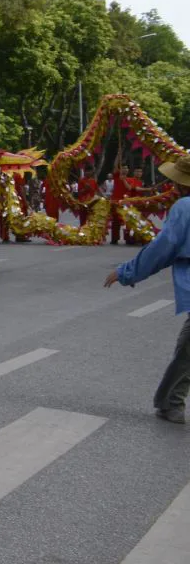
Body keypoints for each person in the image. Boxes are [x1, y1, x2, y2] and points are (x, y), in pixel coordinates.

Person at [105, 155, 190, 422]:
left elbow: (162, 248)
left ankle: (170, 401)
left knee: (188, 349)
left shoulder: (184, 207)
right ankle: (169, 401)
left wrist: (126, 272)